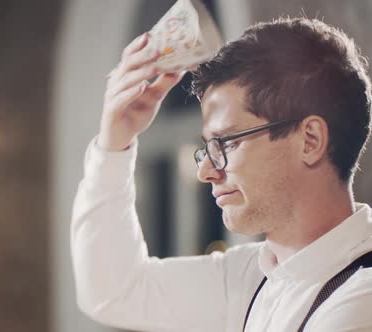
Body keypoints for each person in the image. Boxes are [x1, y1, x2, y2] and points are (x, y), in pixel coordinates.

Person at [71, 17, 372, 331]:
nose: (205, 171)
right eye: (207, 147)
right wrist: (114, 144)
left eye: (227, 142)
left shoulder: (361, 299)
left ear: (309, 140)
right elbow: (116, 293)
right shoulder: (251, 277)